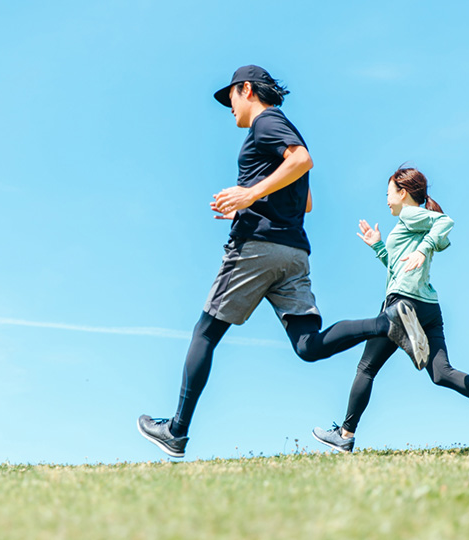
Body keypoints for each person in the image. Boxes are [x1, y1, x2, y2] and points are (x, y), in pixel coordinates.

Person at [137, 66, 429, 458]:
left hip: (255, 249)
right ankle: (387, 322)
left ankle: (177, 430)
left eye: (232, 99)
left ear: (247, 90)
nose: (230, 109)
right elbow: (304, 201)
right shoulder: (283, 131)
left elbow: (302, 160)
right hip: (293, 253)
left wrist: (246, 196)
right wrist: (250, 201)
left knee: (205, 332)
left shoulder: (267, 123)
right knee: (308, 346)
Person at [312, 166, 469, 452]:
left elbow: (445, 222)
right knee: (440, 372)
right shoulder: (410, 224)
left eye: (388, 193)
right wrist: (378, 247)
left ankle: (345, 435)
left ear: (403, 192)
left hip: (402, 304)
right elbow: (400, 267)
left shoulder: (411, 215)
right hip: (428, 307)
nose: (386, 200)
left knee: (367, 367)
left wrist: (423, 250)